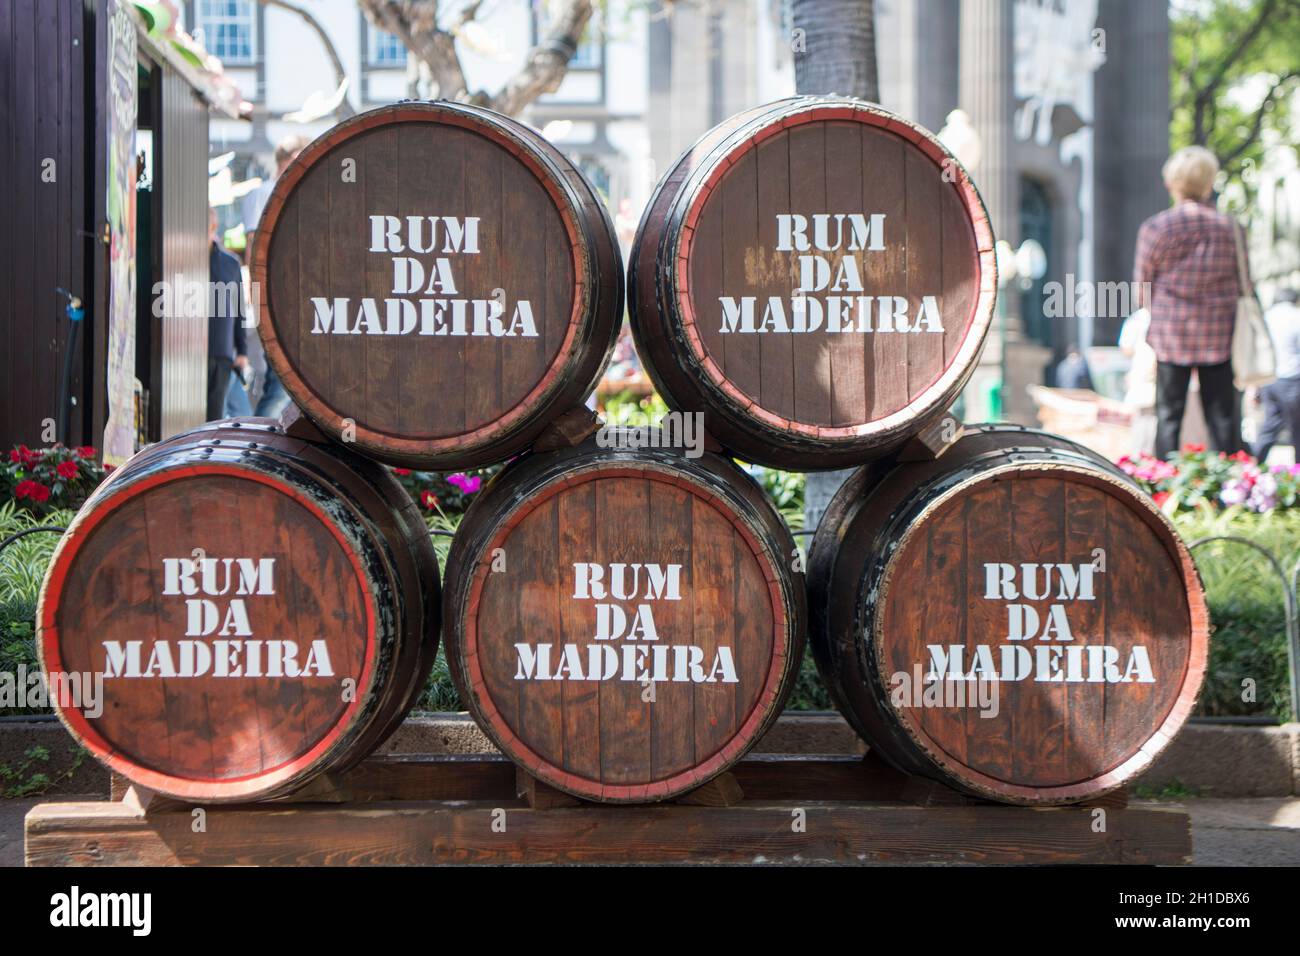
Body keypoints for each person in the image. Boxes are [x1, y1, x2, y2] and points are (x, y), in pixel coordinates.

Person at [1134, 145, 1246, 458]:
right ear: (1209, 182)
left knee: (1169, 416)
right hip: (1220, 334)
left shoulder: (1156, 227)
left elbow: (1141, 286)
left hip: (1171, 335)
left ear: (1172, 184)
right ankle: (1226, 489)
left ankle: (1164, 486)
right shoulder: (1231, 228)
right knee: (1222, 419)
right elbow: (1244, 282)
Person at [242, 135, 308, 419]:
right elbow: (254, 245)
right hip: (275, 292)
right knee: (280, 379)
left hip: (290, 292)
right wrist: (257, 293)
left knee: (281, 375)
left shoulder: (295, 192)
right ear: (288, 159)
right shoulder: (265, 192)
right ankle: (263, 436)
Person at [207, 208, 249, 421]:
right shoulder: (186, 259)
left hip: (220, 353)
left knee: (214, 416)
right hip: (188, 354)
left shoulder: (230, 264)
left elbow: (239, 309)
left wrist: (242, 351)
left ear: (213, 227)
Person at [1253, 289, 1300, 462]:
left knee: (1270, 425)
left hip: (1269, 379)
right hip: (1292, 379)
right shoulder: (1296, 317)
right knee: (1297, 428)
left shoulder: (1265, 317)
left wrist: (1255, 386)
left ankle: (1254, 461)